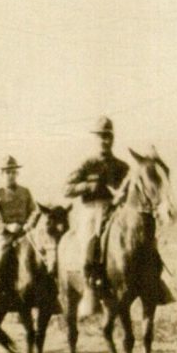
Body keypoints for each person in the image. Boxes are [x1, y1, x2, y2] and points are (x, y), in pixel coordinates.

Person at [64, 116, 130, 317]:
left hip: (115, 210)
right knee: (88, 244)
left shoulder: (122, 166)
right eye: (101, 137)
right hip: (90, 211)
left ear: (113, 138)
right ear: (95, 139)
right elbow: (66, 189)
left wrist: (121, 197)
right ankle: (89, 290)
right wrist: (88, 186)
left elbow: (129, 192)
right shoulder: (87, 164)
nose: (105, 141)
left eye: (108, 137)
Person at [0, 156, 38, 310]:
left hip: (25, 233)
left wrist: (27, 225)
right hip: (5, 235)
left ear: (17, 174)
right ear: (2, 174)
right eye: (7, 172)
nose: (11, 175)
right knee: (1, 257)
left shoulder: (25, 192)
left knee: (42, 254)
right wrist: (4, 228)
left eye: (13, 172)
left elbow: (34, 211)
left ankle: (49, 295)